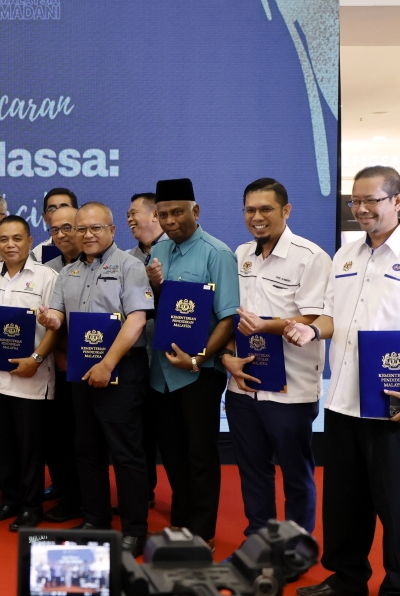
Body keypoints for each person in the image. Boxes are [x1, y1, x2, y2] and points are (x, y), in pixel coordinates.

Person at [286, 166, 400, 596]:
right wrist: (311, 330)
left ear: (397, 201)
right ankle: (347, 580)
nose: (361, 209)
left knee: (398, 507)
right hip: (343, 400)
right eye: (354, 201)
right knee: (344, 504)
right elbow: (330, 316)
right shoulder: (346, 256)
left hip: (393, 403)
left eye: (371, 201)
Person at [38, 202, 154, 556]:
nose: (87, 235)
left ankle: (135, 530)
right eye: (81, 229)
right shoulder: (67, 272)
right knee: (86, 449)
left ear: (112, 230)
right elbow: (59, 316)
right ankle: (95, 520)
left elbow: (136, 321)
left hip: (121, 370)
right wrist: (51, 321)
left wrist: (108, 364)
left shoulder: (131, 266)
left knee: (125, 452)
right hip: (80, 371)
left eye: (96, 228)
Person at [220, 179, 330, 550]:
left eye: (266, 209)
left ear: (286, 210)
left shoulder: (310, 257)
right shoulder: (241, 255)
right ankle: (259, 543)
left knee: (296, 474)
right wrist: (227, 358)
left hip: (291, 389)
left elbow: (315, 318)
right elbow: (229, 317)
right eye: (250, 210)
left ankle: (297, 549)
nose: (257, 217)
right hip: (243, 384)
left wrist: (270, 325)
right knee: (253, 472)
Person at [145, 178, 239, 552]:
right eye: (163, 214)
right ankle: (180, 524)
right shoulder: (158, 249)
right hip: (161, 374)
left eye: (177, 212)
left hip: (199, 373)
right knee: (172, 454)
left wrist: (199, 358)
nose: (170, 220)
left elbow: (228, 317)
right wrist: (155, 287)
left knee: (200, 455)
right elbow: (163, 309)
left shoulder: (218, 253)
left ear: (195, 211)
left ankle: (203, 533)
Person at [0, 215, 59, 531]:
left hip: (31, 376)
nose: (10, 245)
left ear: (30, 241)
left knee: (30, 447)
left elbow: (56, 326)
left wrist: (36, 357)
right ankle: (9, 500)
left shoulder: (48, 277)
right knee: (1, 445)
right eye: (4, 239)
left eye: (17, 238)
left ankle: (31, 507)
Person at [126, 192, 170, 510]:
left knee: (173, 440)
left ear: (156, 215)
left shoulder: (178, 251)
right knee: (139, 436)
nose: (129, 220)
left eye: (133, 214)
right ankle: (142, 493)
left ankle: (184, 499)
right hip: (137, 363)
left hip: (174, 363)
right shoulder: (126, 260)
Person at [40, 205, 83, 523]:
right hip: (59, 366)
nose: (62, 235)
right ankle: (69, 497)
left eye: (68, 227)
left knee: (90, 441)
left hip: (99, 367)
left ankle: (90, 499)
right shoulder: (50, 269)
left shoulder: (110, 264)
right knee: (59, 438)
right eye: (55, 230)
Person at [31, 188, 77, 262]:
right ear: (45, 217)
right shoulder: (37, 254)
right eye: (52, 209)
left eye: (64, 207)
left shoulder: (90, 248)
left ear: (78, 214)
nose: (58, 212)